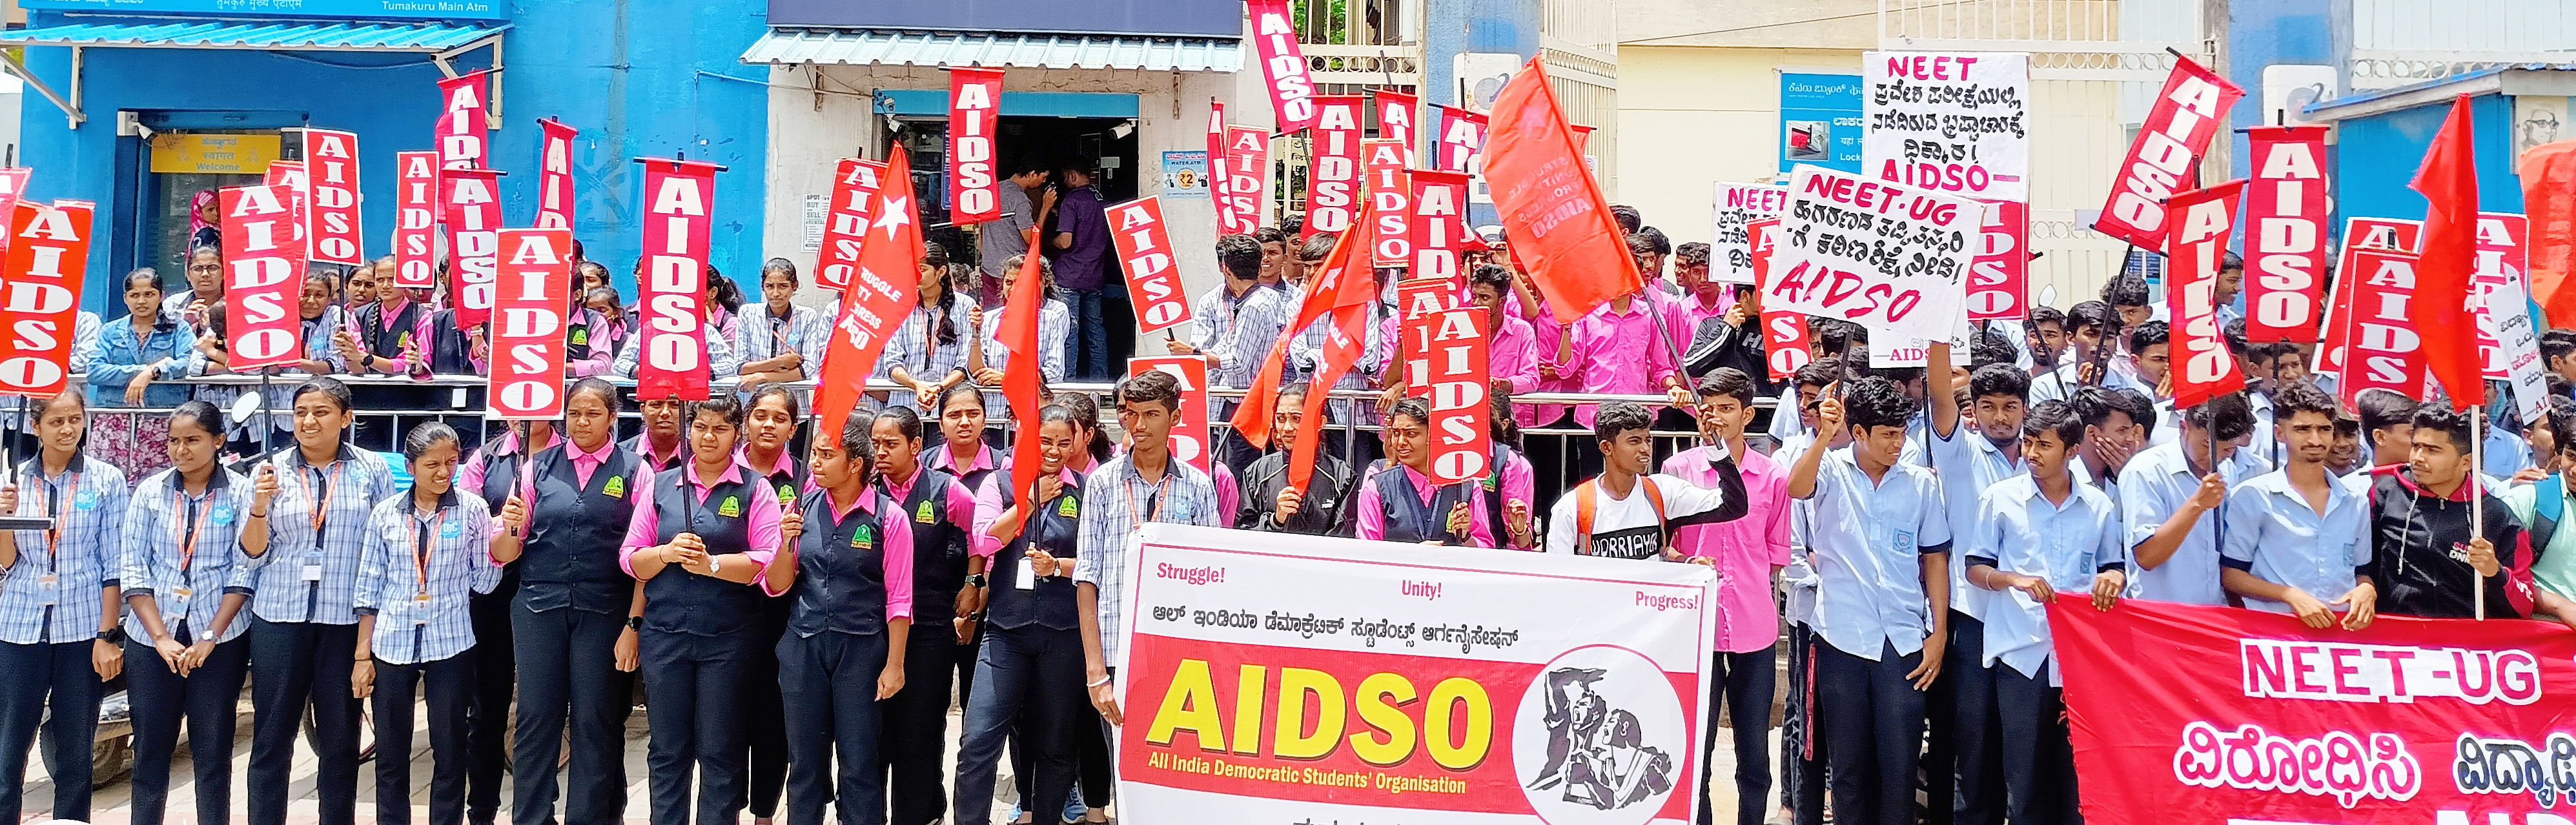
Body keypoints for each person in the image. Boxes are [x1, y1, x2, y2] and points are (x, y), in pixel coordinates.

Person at [1783, 377, 1950, 825]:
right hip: (1842, 641)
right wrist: (1822, 435)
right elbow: (1796, 488)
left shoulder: (1921, 484)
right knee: (1849, 772)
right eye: (1888, 435)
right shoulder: (1831, 469)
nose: (1898, 444)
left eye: (1901, 434)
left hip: (1904, 643)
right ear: (1859, 433)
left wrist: (1939, 634)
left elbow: (1935, 559)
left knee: (1899, 770)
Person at [620, 395, 785, 825]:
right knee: (668, 749)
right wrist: (667, 553)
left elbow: (767, 562)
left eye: (720, 429)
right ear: (688, 431)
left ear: (737, 435)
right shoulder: (661, 485)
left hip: (728, 639)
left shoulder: (755, 488)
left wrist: (711, 565)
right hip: (666, 635)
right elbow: (631, 557)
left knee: (720, 748)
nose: (708, 437)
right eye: (701, 427)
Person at [1960, 400, 2126, 825]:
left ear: (2072, 450)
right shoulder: (1999, 500)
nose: (2032, 453)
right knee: (2024, 779)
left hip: (2081, 660)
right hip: (2022, 654)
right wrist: (2013, 580)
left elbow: (2114, 566)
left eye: (2044, 445)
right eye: (2029, 443)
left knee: (2077, 779)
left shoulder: (2099, 507)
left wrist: (2114, 579)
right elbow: (1975, 568)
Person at [241, 378, 394, 825]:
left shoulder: (372, 470)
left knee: (340, 740)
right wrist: (258, 506)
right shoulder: (269, 471)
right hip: (280, 617)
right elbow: (253, 552)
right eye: (301, 412)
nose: (308, 421)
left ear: (346, 418)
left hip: (344, 620)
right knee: (271, 739)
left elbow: (386, 544)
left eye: (321, 411)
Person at [495, 379, 647, 825]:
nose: (582, 421)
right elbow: (507, 553)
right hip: (539, 605)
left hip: (604, 609)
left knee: (594, 721)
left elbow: (642, 555)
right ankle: (532, 817)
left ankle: (588, 817)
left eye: (593, 413)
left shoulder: (635, 471)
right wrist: (508, 525)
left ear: (612, 418)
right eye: (575, 412)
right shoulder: (536, 468)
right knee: (536, 718)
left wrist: (633, 625)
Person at [121, 400, 272, 825]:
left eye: (192, 440)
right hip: (153, 639)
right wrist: (160, 638)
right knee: (151, 751)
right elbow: (134, 567)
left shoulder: (244, 491)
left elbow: (248, 564)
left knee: (213, 752)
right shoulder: (150, 492)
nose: (180, 450)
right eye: (173, 441)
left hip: (219, 639)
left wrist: (209, 636)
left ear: (218, 441)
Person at [765, 411, 914, 825]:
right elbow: (777, 585)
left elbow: (900, 597)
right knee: (805, 763)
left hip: (863, 648)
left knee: (860, 761)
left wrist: (895, 664)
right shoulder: (801, 508)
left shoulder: (890, 518)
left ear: (855, 464)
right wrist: (784, 540)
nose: (814, 463)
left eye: (826, 455)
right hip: (804, 645)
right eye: (814, 453)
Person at [353, 422, 506, 825]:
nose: (443, 473)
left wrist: (503, 539)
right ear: (411, 465)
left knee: (451, 748)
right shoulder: (385, 513)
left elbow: (485, 582)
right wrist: (361, 656)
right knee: (391, 752)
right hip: (392, 642)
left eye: (451, 463)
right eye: (432, 464)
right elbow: (369, 587)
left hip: (451, 642)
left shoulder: (472, 509)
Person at [1661, 370, 1789, 825]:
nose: (1716, 416)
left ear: (1747, 414)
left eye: (1726, 408)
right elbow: (1664, 544)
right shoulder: (1678, 470)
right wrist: (1682, 563)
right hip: (1695, 629)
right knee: (1697, 746)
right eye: (1708, 407)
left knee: (1754, 751)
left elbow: (1777, 553)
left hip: (1753, 627)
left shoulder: (1772, 475)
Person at [954, 405, 1090, 825]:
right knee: (977, 740)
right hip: (1006, 634)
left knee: (1054, 746)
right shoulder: (1000, 483)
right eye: (1045, 441)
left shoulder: (1087, 488)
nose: (1054, 450)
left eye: (1063, 442)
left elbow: (1095, 557)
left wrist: (1059, 567)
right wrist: (1030, 503)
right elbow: (984, 539)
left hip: (1063, 635)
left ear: (1077, 443)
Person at [0, 390, 128, 824]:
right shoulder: (13, 479)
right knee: (8, 749)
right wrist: (4, 519)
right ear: (35, 426)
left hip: (81, 629)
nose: (68, 429)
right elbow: (7, 563)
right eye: (56, 421)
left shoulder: (106, 480)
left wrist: (107, 636)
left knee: (75, 752)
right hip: (19, 627)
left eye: (75, 419)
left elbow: (114, 565)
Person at [1076, 369, 1223, 727]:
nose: (1138, 425)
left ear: (1175, 418)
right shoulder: (1102, 483)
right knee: (1118, 775)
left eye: (1151, 414)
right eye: (1131, 413)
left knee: (1169, 768)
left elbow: (1214, 576)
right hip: (1115, 648)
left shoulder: (1198, 486)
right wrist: (1095, 670)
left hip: (1178, 650)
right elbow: (1086, 578)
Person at [870, 405, 994, 825]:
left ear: (916, 446)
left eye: (891, 444)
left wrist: (974, 582)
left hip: (929, 630)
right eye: (876, 444)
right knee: (878, 735)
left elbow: (981, 534)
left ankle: (925, 814)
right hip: (874, 631)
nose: (882, 452)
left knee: (920, 732)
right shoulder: (866, 489)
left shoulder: (946, 490)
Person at [1923, 347, 2028, 825]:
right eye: (1988, 406)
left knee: (2025, 748)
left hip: (2031, 626)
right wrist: (1937, 330)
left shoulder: (2043, 456)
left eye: (2010, 406)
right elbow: (1940, 394)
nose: (1999, 417)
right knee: (1974, 746)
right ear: (1974, 410)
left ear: (2025, 409)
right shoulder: (1959, 450)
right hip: (1973, 619)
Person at [2218, 382, 2375, 627]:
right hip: (2276, 636)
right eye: (2303, 429)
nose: (2315, 439)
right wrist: (2288, 595)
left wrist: (2367, 591)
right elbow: (2231, 575)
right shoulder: (2253, 496)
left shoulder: (2355, 500)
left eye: (2324, 429)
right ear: (2280, 433)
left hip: (2342, 635)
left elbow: (2361, 572)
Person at [2366, 404, 2539, 620]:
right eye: (2416, 446)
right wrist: (2364, 585)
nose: (2418, 458)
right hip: (2395, 642)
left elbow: (2524, 607)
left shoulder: (2499, 518)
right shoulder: (2384, 492)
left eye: (2432, 450)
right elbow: (2360, 563)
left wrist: (2495, 572)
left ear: (2466, 462)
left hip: (2464, 646)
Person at [1544, 401, 1748, 557]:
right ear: (1607, 448)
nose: (1645, 449)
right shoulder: (1572, 507)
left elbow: (1735, 505)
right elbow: (1559, 579)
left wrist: (1714, 446)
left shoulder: (1663, 491)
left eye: (1647, 440)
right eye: (1634, 441)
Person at [737, 386, 803, 824]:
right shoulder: (720, 466)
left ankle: (764, 814)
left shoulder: (804, 476)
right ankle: (727, 811)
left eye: (779, 418)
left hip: (780, 615)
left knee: (772, 721)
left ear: (793, 429)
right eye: (760, 415)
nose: (768, 425)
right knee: (723, 720)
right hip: (723, 609)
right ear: (746, 421)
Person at [1172, 234, 1292, 471]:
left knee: (1238, 471)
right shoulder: (1263, 298)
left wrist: (1195, 353)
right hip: (1244, 401)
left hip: (1243, 402)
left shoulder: (1254, 306)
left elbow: (1238, 362)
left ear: (1225, 268)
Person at [1353, 398, 1506, 546]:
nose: (1400, 442)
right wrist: (1414, 556)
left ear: (1434, 436)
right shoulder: (1377, 488)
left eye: (1411, 434)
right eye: (1396, 433)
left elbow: (1485, 549)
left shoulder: (1467, 486)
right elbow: (1367, 553)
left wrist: (1466, 536)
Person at [1236, 382, 1355, 534]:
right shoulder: (1256, 473)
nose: (1287, 428)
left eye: (1296, 419)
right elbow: (1243, 536)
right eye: (1280, 419)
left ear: (1320, 422)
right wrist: (1275, 521)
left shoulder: (1342, 477)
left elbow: (1343, 539)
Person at [886, 243, 976, 412]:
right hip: (906, 403)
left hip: (948, 406)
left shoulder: (965, 305)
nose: (916, 273)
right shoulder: (900, 305)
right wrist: (916, 385)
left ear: (941, 272)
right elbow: (892, 361)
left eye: (922, 269)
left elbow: (964, 364)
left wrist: (939, 388)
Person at [1050, 164, 1119, 380]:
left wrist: (1050, 241)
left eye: (1065, 178)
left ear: (1072, 175)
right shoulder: (1102, 201)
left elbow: (1065, 240)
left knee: (1069, 331)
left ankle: (1067, 381)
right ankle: (1100, 382)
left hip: (1069, 276)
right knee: (1096, 331)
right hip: (1095, 276)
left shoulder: (1072, 201)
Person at [739, 259, 828, 392]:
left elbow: (809, 369)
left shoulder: (807, 317)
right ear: (762, 286)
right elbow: (740, 367)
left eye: (783, 286)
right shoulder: (747, 313)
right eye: (770, 286)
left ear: (795, 286)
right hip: (755, 400)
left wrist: (762, 376)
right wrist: (779, 362)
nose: (776, 293)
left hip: (794, 401)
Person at [980, 162, 1050, 298]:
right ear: (1032, 174)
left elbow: (981, 226)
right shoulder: (1020, 200)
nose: (1044, 181)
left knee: (991, 315)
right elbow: (1031, 238)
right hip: (1012, 272)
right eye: (1043, 177)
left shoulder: (993, 190)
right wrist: (1046, 207)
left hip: (988, 265)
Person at [2069, 387, 2154, 496]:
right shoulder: (2064, 482)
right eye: (2122, 430)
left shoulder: (2126, 475)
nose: (2130, 438)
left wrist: (2129, 477)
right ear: (2093, 434)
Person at [930, 385, 1002, 494]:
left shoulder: (1002, 465)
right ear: (941, 424)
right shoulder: (925, 464)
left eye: (973, 414)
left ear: (984, 421)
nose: (964, 422)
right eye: (954, 415)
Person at [2352, 389, 2420, 476]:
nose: (2420, 441)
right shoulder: (2347, 488)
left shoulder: (2430, 483)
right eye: (2412, 434)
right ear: (2380, 437)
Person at [626, 396, 690, 472]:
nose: (665, 412)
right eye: (656, 404)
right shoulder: (621, 455)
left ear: (686, 410)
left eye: (675, 405)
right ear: (643, 410)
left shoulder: (698, 458)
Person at [163, 245, 225, 323]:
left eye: (212, 268)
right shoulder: (171, 305)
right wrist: (185, 323)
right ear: (188, 275)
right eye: (198, 268)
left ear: (224, 272)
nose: (205, 274)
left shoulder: (236, 305)